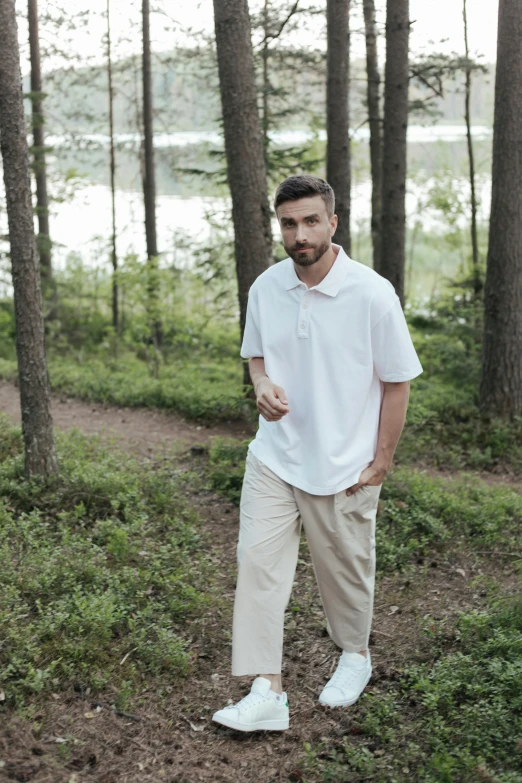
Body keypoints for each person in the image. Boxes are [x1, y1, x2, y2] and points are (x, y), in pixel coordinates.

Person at [212, 175, 423, 733]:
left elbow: (398, 382)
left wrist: (382, 461)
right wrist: (260, 385)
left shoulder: (372, 293)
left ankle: (354, 655)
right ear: (278, 226)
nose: (299, 233)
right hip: (275, 458)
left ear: (333, 223)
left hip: (345, 465)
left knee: (346, 574)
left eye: (310, 221)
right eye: (288, 223)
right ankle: (266, 692)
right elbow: (256, 357)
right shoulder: (265, 288)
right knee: (257, 567)